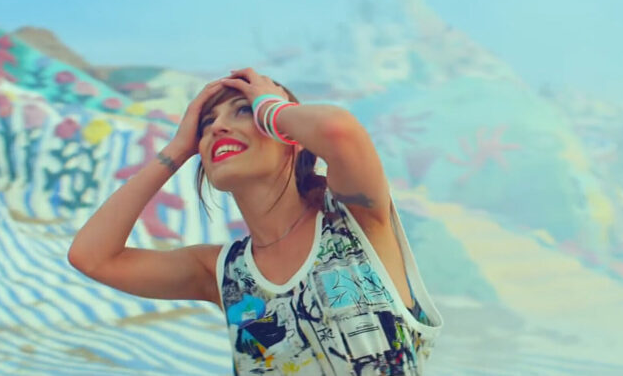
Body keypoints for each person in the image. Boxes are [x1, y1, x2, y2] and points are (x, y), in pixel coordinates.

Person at [68, 68, 442, 375]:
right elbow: (92, 257)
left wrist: (268, 107)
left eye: (242, 111)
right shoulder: (224, 272)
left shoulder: (353, 219)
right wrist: (178, 148)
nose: (217, 127)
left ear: (290, 134)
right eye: (206, 123)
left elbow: (337, 131)